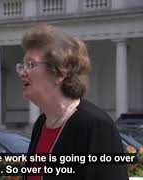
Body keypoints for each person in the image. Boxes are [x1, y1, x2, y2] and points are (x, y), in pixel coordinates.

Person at [17, 24, 128, 180]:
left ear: (59, 73)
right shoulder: (42, 123)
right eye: (21, 66)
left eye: (30, 64)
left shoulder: (95, 126)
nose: (22, 73)